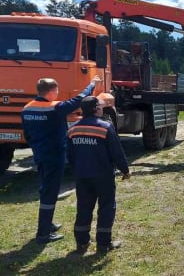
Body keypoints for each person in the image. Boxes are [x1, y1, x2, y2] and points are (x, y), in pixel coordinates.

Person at [21, 75, 101, 244]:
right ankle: (43, 234)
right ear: (51, 92)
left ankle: (47, 224)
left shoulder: (27, 109)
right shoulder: (54, 108)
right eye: (56, 91)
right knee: (50, 192)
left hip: (39, 155)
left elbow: (27, 135)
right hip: (54, 156)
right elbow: (79, 99)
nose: (57, 94)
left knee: (45, 189)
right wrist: (91, 84)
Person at [67, 96, 131, 254]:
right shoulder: (105, 127)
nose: (102, 109)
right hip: (103, 176)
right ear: (96, 109)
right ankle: (103, 243)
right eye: (100, 107)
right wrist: (126, 170)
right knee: (106, 207)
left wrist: (77, 169)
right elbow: (117, 152)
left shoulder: (72, 129)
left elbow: (70, 155)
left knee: (83, 207)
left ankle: (82, 242)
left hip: (82, 176)